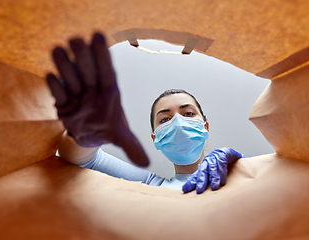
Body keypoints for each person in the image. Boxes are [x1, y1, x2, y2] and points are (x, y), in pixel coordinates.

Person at [46, 32, 245, 194]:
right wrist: (91, 133)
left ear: (205, 126)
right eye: (165, 119)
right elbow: (83, 159)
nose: (178, 121)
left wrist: (241, 163)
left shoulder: (241, 173)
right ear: (155, 138)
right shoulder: (152, 186)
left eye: (188, 113)